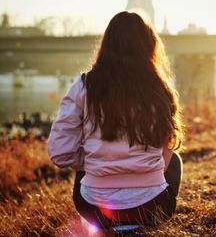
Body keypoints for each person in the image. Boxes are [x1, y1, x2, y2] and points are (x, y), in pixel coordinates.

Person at [47, 12, 184, 230]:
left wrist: (96, 162)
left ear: (107, 44)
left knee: (85, 171)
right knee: (174, 160)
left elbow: (60, 152)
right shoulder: (160, 88)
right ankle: (142, 224)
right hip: (152, 207)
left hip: (95, 211)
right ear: (149, 45)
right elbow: (167, 147)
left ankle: (107, 225)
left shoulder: (84, 86)